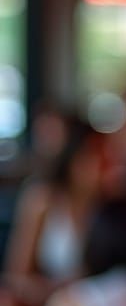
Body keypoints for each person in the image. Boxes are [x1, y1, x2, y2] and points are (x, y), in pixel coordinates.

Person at [3, 119, 106, 296]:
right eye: (93, 157)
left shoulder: (111, 204)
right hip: (49, 304)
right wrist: (55, 291)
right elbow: (16, 277)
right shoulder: (41, 200)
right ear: (72, 158)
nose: (102, 166)